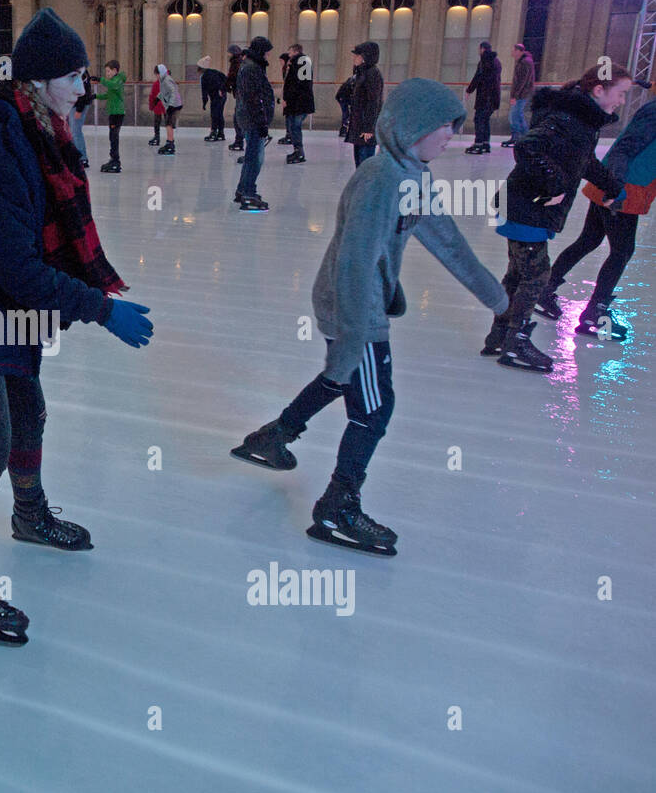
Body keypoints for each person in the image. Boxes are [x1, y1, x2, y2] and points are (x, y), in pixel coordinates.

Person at [0, 7, 153, 646]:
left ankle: (27, 514)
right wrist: (101, 308)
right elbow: (20, 269)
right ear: (36, 83)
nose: (84, 88)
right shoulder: (3, 151)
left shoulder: (42, 137)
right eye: (74, 77)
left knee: (30, 414)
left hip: (7, 309)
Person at [231, 79, 508, 557]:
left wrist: (497, 299)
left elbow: (446, 240)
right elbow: (356, 261)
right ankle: (338, 507)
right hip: (354, 304)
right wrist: (358, 335)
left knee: (344, 382)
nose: (451, 136)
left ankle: (272, 436)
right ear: (412, 128)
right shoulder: (383, 180)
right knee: (374, 411)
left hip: (356, 302)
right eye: (444, 126)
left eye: (456, 126)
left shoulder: (413, 175)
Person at [481, 64, 630, 371]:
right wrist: (555, 184)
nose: (622, 101)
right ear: (599, 90)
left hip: (525, 205)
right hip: (529, 206)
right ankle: (515, 342)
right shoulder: (568, 119)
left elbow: (582, 161)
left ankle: (500, 336)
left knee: (518, 275)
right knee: (535, 276)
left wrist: (611, 186)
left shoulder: (581, 120)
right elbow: (527, 146)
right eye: (621, 93)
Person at [537, 83, 654, 341]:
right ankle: (594, 314)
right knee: (622, 250)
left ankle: (545, 289)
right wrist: (615, 189)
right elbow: (625, 147)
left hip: (620, 184)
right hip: (624, 187)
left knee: (589, 240)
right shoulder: (655, 111)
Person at [234, 36, 275, 210]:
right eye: (267, 52)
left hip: (249, 119)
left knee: (251, 157)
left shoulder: (251, 66)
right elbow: (253, 99)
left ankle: (244, 190)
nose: (268, 56)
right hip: (252, 120)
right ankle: (248, 195)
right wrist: (262, 122)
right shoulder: (252, 68)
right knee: (254, 159)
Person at [345, 41, 383, 167]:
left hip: (365, 128)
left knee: (364, 164)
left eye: (357, 55)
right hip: (359, 125)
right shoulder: (362, 73)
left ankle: (365, 186)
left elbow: (373, 102)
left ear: (365, 57)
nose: (354, 58)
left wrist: (369, 128)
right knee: (359, 162)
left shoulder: (372, 74)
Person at [465, 40, 502, 154]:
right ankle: (486, 143)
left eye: (479, 49)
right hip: (493, 97)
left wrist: (469, 90)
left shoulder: (484, 61)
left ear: (482, 49)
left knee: (479, 119)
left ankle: (478, 144)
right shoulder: (496, 61)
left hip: (485, 96)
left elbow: (478, 77)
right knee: (485, 120)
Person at [281, 43, 315, 165]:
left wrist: (289, 99)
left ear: (295, 51)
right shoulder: (296, 63)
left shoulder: (302, 61)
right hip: (295, 102)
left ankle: (299, 152)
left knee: (295, 126)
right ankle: (297, 150)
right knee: (292, 126)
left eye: (290, 52)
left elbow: (301, 84)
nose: (288, 55)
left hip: (299, 102)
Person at [94, 58, 126, 172]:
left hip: (117, 114)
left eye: (108, 71)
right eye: (106, 72)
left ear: (115, 71)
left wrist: (100, 79)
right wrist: (95, 96)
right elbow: (108, 95)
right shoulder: (114, 81)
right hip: (113, 113)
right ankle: (113, 159)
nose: (107, 74)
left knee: (114, 137)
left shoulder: (118, 80)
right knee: (112, 137)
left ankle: (115, 161)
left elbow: (113, 86)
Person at [504, 43, 535, 147]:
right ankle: (523, 137)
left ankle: (519, 137)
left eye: (513, 50)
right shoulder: (523, 62)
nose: (512, 52)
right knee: (517, 114)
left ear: (519, 51)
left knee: (515, 115)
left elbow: (522, 81)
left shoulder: (524, 62)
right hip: (522, 94)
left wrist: (515, 96)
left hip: (521, 94)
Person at [154, 64, 182, 156]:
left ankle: (170, 143)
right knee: (168, 123)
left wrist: (171, 105)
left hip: (174, 105)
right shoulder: (164, 80)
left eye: (157, 74)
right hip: (173, 104)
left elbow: (173, 91)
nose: (156, 76)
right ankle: (169, 142)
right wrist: (158, 98)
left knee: (169, 124)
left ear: (160, 73)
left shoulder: (166, 80)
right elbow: (164, 92)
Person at [199, 55, 227, 143]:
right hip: (222, 96)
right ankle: (221, 132)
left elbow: (204, 92)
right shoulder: (215, 72)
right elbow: (226, 79)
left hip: (216, 96)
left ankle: (214, 132)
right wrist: (223, 90)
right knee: (219, 114)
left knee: (214, 114)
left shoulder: (204, 77)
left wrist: (204, 103)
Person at [71, 69, 94, 166]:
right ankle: (74, 155)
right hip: (75, 104)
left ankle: (82, 157)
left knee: (76, 131)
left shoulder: (80, 72)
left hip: (79, 105)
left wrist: (79, 110)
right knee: (72, 131)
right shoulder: (78, 71)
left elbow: (82, 92)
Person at [226, 44, 246, 150]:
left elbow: (232, 76)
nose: (228, 54)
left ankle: (239, 141)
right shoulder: (239, 62)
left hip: (240, 93)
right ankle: (239, 140)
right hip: (240, 92)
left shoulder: (236, 63)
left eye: (229, 52)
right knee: (238, 117)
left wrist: (227, 86)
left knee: (238, 117)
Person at [148, 69, 165, 146]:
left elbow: (152, 96)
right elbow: (152, 96)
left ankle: (157, 137)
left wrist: (152, 106)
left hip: (161, 106)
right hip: (160, 106)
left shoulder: (157, 84)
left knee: (160, 122)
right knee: (158, 122)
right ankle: (157, 137)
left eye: (157, 74)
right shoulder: (158, 83)